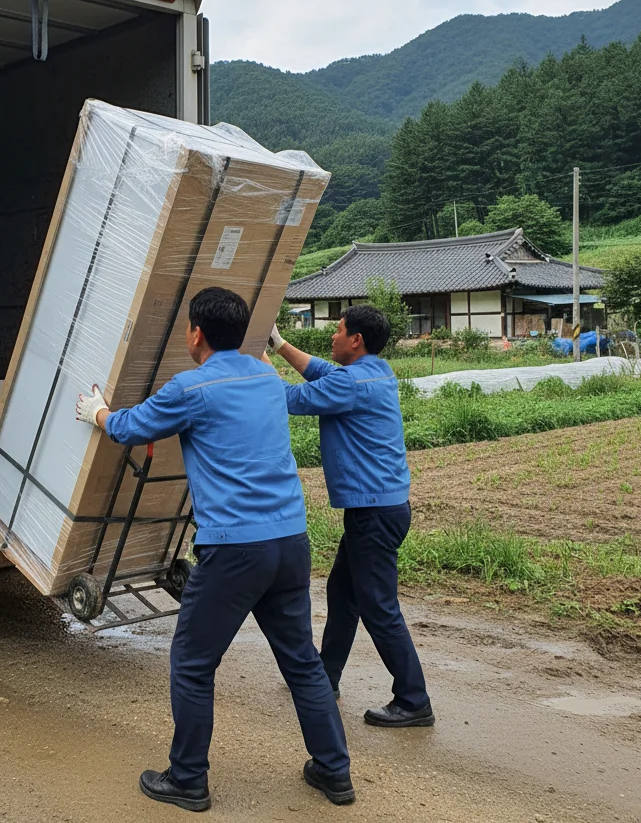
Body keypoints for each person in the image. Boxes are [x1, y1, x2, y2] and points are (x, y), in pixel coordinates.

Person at [75, 286, 354, 812]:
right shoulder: (267, 378)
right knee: (302, 664)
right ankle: (334, 772)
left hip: (235, 550)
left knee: (192, 663)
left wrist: (97, 411)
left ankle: (187, 780)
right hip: (290, 541)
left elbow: (132, 429)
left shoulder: (191, 388)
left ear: (196, 333)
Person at [270, 305, 434, 728]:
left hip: (375, 513)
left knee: (378, 606)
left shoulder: (351, 384)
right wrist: (280, 344)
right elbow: (324, 371)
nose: (332, 336)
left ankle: (414, 699)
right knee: (344, 594)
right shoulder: (375, 372)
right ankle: (325, 677)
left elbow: (287, 398)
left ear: (356, 339)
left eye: (338, 330)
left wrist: (256, 361)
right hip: (382, 508)